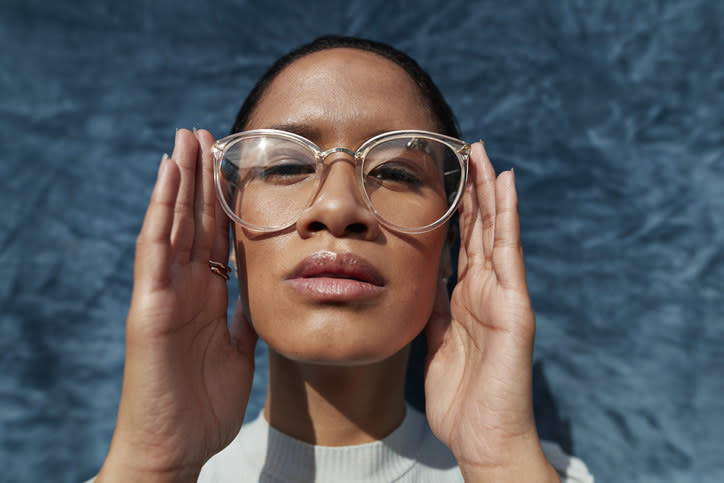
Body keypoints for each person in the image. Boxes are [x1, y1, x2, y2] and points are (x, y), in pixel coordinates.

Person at [92, 36, 592, 482]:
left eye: (395, 172)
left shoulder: (535, 472)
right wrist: (154, 465)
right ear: (228, 232)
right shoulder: (138, 472)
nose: (337, 207)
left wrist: (500, 463)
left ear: (450, 245)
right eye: (287, 165)